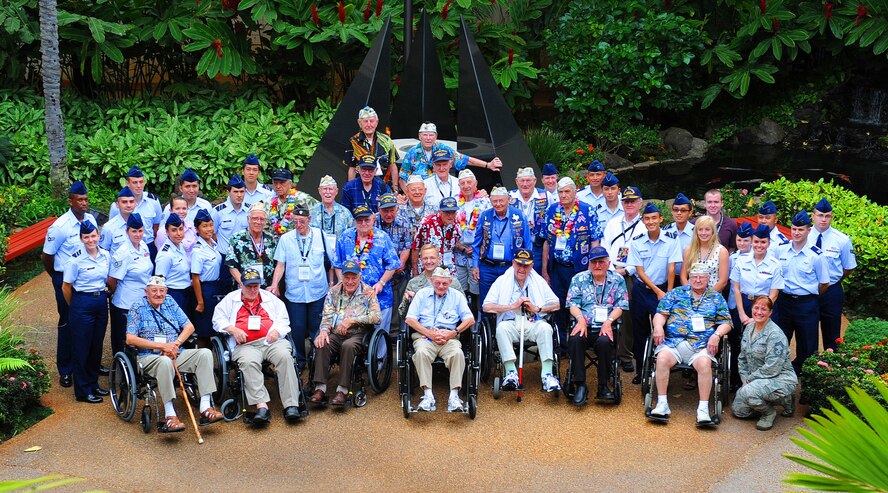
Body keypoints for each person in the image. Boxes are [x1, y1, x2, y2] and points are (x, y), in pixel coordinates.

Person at [127, 276, 223, 432]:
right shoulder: (137, 307)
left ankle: (205, 408)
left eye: (162, 291)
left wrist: (175, 344)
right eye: (154, 291)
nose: (158, 294)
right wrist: (162, 346)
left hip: (176, 352)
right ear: (146, 292)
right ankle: (170, 415)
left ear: (166, 291)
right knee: (164, 362)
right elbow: (130, 339)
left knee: (205, 354)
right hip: (149, 356)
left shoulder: (170, 302)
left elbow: (189, 327)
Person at [213, 267, 303, 424]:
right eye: (249, 286)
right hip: (245, 345)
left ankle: (291, 405)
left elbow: (283, 320)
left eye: (256, 286)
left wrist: (276, 331)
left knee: (285, 356)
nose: (253, 290)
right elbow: (217, 320)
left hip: (271, 342)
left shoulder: (270, 298)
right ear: (241, 285)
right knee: (248, 362)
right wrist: (232, 329)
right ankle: (262, 407)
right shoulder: (230, 299)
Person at [648, 263, 732, 425]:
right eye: (694, 277)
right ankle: (662, 404)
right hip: (674, 343)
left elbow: (726, 323)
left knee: (704, 365)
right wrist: (658, 326)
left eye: (702, 277)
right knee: (662, 359)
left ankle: (703, 409)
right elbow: (660, 313)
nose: (698, 280)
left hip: (701, 346)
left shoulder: (716, 297)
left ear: (708, 279)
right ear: (689, 278)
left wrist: (717, 335)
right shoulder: (676, 293)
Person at [42, 181, 98, 388]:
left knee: (88, 323)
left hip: (85, 279)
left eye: (86, 199)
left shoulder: (90, 219)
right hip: (65, 280)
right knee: (68, 322)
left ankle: (87, 364)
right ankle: (66, 369)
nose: (84, 203)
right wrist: (58, 278)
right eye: (80, 200)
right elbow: (47, 256)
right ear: (70, 201)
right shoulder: (60, 227)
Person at [482, 249, 561, 392]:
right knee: (501, 329)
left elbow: (556, 304)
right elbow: (486, 306)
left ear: (531, 266)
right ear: (513, 263)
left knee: (546, 328)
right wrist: (512, 306)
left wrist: (537, 308)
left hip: (533, 322)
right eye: (519, 264)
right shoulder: (502, 281)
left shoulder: (538, 281)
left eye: (526, 265)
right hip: (511, 322)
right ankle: (511, 373)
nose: (522, 269)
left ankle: (547, 375)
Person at [309, 260, 382, 406]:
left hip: (358, 334)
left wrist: (353, 320)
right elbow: (327, 315)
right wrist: (323, 331)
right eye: (346, 278)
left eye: (353, 278)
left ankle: (342, 390)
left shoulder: (368, 292)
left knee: (348, 346)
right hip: (336, 333)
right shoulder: (334, 291)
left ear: (359, 277)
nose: (350, 282)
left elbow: (377, 317)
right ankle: (320, 388)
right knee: (322, 343)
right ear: (342, 277)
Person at [541, 177, 603, 347]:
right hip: (558, 268)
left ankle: (580, 342)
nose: (563, 195)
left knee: (579, 304)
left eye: (567, 191)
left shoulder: (587, 210)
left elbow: (595, 241)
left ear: (575, 192)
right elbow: (546, 241)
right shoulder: (551, 211)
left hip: (580, 268)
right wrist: (545, 271)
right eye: (560, 192)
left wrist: (591, 268)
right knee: (558, 305)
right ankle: (561, 344)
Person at [627, 202, 683, 384]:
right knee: (640, 330)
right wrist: (658, 291)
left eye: (654, 218)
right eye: (647, 219)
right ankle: (641, 371)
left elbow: (672, 267)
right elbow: (640, 272)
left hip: (665, 289)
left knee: (665, 329)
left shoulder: (671, 240)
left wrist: (668, 292)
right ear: (643, 221)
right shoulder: (636, 241)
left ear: (660, 219)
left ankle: (663, 368)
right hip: (642, 291)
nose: (650, 222)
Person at [405, 267, 475, 412]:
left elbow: (470, 319)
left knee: (457, 354)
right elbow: (410, 319)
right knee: (421, 353)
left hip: (449, 337)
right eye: (437, 283)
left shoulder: (457, 296)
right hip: (425, 336)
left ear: (450, 282)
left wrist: (452, 333)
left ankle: (454, 397)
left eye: (445, 283)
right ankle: (428, 395)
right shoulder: (422, 294)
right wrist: (429, 333)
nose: (441, 286)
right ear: (431, 281)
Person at [566, 246, 629, 405]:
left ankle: (603, 385)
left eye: (601, 262)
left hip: (605, 328)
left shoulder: (617, 280)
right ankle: (580, 384)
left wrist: (608, 322)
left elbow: (621, 306)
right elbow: (572, 303)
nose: (597, 265)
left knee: (604, 342)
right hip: (584, 326)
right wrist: (580, 319)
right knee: (576, 338)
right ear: (589, 263)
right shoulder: (579, 279)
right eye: (594, 262)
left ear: (608, 263)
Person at [333, 206, 401, 346]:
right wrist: (342, 282)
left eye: (367, 220)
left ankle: (379, 364)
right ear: (354, 221)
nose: (363, 223)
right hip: (351, 297)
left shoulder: (382, 237)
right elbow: (337, 263)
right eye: (359, 220)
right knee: (351, 332)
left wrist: (381, 283)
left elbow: (393, 264)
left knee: (379, 334)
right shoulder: (346, 237)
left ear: (373, 220)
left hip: (379, 295)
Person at [269, 206, 328, 368]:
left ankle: (316, 360)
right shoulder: (286, 239)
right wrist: (275, 285)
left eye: (302, 221)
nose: (299, 225)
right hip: (295, 293)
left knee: (316, 328)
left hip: (317, 290)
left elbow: (330, 261)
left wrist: (331, 285)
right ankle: (300, 361)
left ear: (309, 220)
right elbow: (280, 265)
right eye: (295, 222)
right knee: (297, 329)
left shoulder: (320, 235)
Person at [775, 210, 829, 373]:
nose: (796, 232)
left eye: (800, 229)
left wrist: (810, 297)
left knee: (807, 344)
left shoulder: (816, 255)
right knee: (780, 340)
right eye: (794, 229)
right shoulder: (781, 250)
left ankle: (806, 380)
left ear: (808, 230)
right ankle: (780, 375)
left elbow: (824, 284)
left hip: (806, 303)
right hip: (784, 301)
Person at [732, 296, 798, 431]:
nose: (759, 312)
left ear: (770, 312)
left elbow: (772, 368)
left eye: (764, 309)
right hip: (756, 380)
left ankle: (769, 412)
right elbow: (742, 358)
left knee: (748, 393)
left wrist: (749, 380)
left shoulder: (775, 334)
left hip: (780, 378)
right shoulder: (749, 328)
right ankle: (774, 400)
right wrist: (745, 379)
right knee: (739, 411)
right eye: (756, 308)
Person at [61, 220, 110, 403]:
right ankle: (82, 390)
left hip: (100, 301)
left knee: (96, 345)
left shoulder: (105, 255)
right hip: (81, 302)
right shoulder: (75, 259)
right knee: (82, 347)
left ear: (98, 235)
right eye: (86, 237)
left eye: (93, 236)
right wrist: (75, 305)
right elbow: (66, 287)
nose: (90, 240)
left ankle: (93, 383)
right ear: (81, 239)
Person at [602, 185, 643, 373]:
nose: (629, 204)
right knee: (605, 312)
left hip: (630, 276)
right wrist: (610, 269)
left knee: (626, 316)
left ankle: (625, 355)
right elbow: (604, 248)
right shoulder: (613, 223)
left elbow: (644, 255)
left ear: (640, 203)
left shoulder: (644, 225)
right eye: (626, 201)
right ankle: (607, 352)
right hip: (609, 273)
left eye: (633, 201)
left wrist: (626, 270)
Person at [807, 198, 856, 350]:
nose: (823, 219)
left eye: (827, 216)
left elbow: (848, 268)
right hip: (809, 290)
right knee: (806, 331)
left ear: (832, 217)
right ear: (813, 216)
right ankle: (807, 364)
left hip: (831, 291)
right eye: (820, 215)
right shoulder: (803, 236)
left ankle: (831, 366)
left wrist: (832, 281)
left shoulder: (842, 240)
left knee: (832, 333)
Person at [472, 186, 532, 306]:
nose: (498, 204)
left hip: (510, 267)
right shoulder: (485, 215)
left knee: (509, 300)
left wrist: (526, 265)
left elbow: (527, 243)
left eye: (501, 200)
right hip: (488, 266)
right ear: (491, 201)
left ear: (508, 200)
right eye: (495, 201)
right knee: (486, 302)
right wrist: (475, 266)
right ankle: (487, 324)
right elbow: (477, 242)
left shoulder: (519, 215)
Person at [108, 213, 153, 358]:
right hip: (125, 303)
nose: (137, 234)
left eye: (140, 231)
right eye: (134, 231)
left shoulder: (144, 246)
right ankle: (121, 372)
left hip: (142, 301)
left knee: (140, 338)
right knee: (123, 341)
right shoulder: (122, 253)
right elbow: (111, 280)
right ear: (127, 231)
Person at [399, 121, 502, 183]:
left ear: (436, 136)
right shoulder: (412, 153)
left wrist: (487, 165)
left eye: (431, 135)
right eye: (425, 135)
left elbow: (464, 159)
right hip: (419, 192)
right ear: (419, 136)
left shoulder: (443, 149)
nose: (428, 138)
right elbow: (403, 177)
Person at [731, 225, 784, 328]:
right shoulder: (741, 261)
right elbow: (736, 289)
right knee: (739, 341)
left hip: (765, 307)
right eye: (756, 242)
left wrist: (759, 315)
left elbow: (774, 295)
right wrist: (742, 314)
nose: (759, 245)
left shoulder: (775, 265)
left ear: (769, 243)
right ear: (751, 242)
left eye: (763, 242)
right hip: (744, 305)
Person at [453, 169, 491, 310]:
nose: (466, 185)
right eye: (463, 183)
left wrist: (479, 248)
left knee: (477, 290)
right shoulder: (454, 203)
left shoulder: (485, 202)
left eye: (469, 182)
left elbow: (490, 229)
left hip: (478, 255)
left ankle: (477, 322)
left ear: (476, 184)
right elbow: (449, 228)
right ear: (459, 185)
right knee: (459, 290)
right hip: (458, 254)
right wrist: (462, 248)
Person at [399, 244, 466, 320]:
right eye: (425, 258)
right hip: (422, 326)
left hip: (449, 324)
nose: (428, 261)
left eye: (432, 258)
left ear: (439, 259)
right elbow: (403, 315)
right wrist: (407, 301)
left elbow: (464, 309)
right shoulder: (414, 283)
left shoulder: (453, 282)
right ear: (421, 260)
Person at [109, 166, 164, 259]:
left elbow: (156, 227)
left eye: (141, 182)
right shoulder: (117, 206)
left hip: (148, 246)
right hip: (125, 247)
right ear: (127, 183)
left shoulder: (153, 201)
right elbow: (112, 228)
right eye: (135, 182)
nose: (139, 186)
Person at [190, 209, 225, 348]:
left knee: (215, 327)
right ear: (197, 229)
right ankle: (203, 361)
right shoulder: (198, 250)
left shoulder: (213, 243)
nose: (209, 229)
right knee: (204, 331)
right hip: (204, 290)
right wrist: (200, 302)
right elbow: (195, 278)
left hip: (216, 287)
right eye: (204, 226)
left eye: (210, 225)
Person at [375, 192, 411, 326]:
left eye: (392, 210)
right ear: (379, 210)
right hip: (379, 273)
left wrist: (400, 263)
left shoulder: (404, 223)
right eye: (385, 211)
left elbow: (407, 246)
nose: (389, 214)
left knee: (397, 303)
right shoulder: (373, 222)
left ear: (397, 208)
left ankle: (395, 335)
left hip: (398, 272)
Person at [726, 222, 754, 390]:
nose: (742, 244)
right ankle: (734, 378)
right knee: (735, 341)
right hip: (734, 304)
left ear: (752, 240)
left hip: (751, 303)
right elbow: (730, 283)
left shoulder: (757, 256)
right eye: (739, 240)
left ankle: (749, 378)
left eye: (746, 240)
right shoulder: (732, 258)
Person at [345, 106, 399, 190]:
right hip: (361, 187)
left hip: (384, 186)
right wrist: (350, 189)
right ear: (360, 123)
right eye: (365, 121)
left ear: (377, 122)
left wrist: (395, 188)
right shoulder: (353, 142)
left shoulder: (386, 140)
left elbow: (393, 166)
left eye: (372, 121)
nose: (369, 124)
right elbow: (351, 168)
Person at [509, 167, 550, 271]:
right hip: (515, 247)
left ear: (535, 181)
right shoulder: (509, 197)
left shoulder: (545, 196)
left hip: (538, 247)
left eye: (528, 180)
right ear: (516, 181)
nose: (525, 184)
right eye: (522, 180)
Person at [227, 202, 277, 288]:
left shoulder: (271, 239)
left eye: (262, 219)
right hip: (244, 287)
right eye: (255, 218)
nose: (258, 222)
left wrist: (275, 286)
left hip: (267, 289)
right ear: (248, 219)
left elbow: (277, 265)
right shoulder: (237, 238)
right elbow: (231, 266)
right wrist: (243, 284)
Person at [310, 174, 355, 264]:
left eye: (330, 189)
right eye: (325, 189)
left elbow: (353, 235)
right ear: (319, 191)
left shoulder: (345, 213)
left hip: (340, 259)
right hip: (317, 260)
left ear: (336, 191)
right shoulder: (311, 213)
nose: (328, 192)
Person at [154, 213, 193, 315]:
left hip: (185, 293)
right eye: (174, 230)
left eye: (180, 229)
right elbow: (159, 282)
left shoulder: (180, 245)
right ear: (167, 232)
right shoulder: (165, 255)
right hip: (173, 295)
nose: (179, 233)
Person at [411, 197, 461, 275]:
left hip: (448, 268)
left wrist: (464, 249)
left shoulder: (457, 224)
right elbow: (416, 247)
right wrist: (415, 271)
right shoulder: (426, 223)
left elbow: (455, 244)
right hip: (428, 268)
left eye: (453, 212)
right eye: (447, 213)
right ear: (440, 212)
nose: (450, 216)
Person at [679, 215, 729, 292]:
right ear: (696, 231)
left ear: (713, 231)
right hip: (691, 296)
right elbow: (683, 276)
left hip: (712, 296)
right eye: (700, 229)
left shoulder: (722, 251)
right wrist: (691, 294)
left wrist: (706, 298)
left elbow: (723, 281)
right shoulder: (689, 249)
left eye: (707, 229)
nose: (703, 233)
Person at [266, 168, 317, 238]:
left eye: (282, 183)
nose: (278, 186)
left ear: (290, 184)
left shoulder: (304, 199)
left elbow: (316, 217)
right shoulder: (267, 203)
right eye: (275, 183)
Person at [213, 174, 250, 256]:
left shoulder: (250, 210)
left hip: (244, 256)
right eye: (235, 192)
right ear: (228, 192)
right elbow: (212, 233)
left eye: (242, 192)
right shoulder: (218, 211)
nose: (239, 195)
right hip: (225, 256)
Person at [663, 193, 695, 279]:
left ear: (690, 213)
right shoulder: (665, 231)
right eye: (675, 210)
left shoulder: (696, 233)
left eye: (683, 210)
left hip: (690, 276)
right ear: (671, 211)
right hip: (668, 276)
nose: (679, 213)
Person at [99, 187, 137, 256]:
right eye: (124, 202)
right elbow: (103, 254)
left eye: (131, 201)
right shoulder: (109, 227)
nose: (128, 205)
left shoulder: (139, 223)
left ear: (135, 203)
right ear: (117, 204)